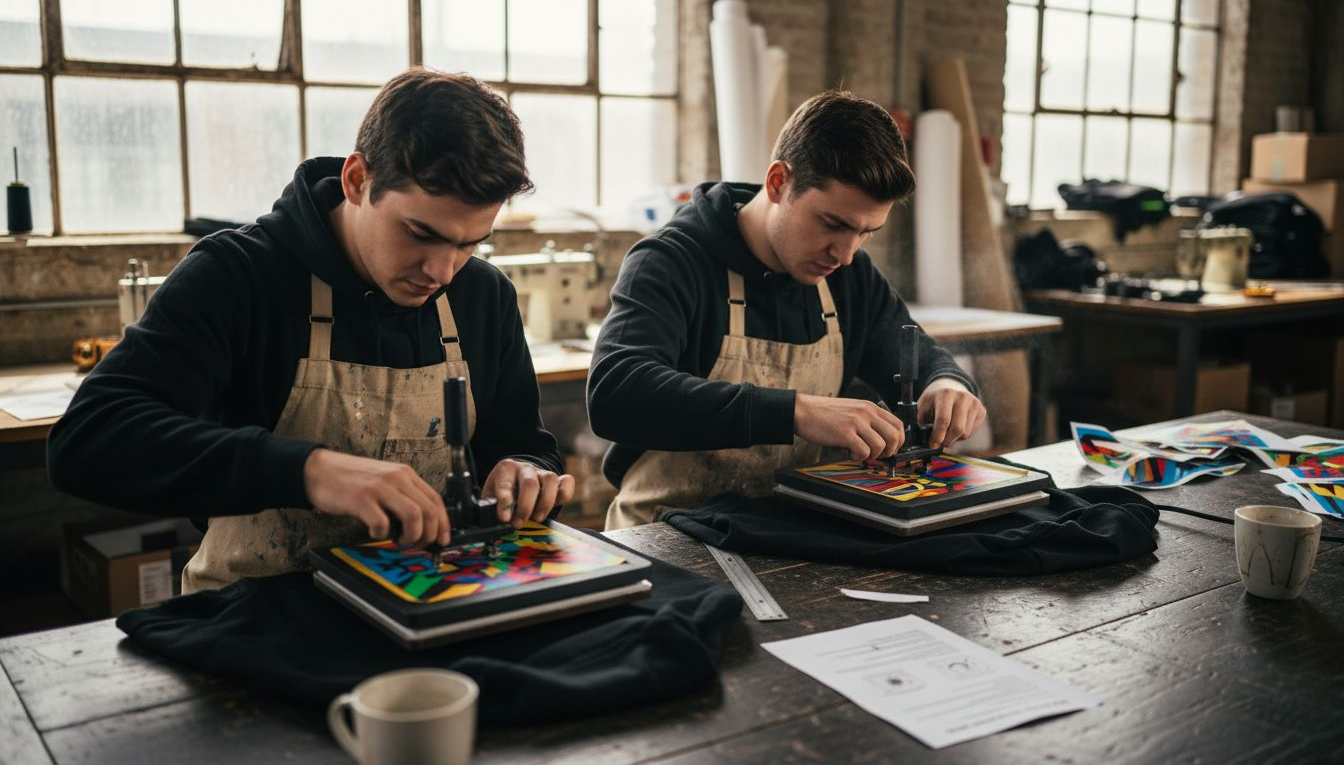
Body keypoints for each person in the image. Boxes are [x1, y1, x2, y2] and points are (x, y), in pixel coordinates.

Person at [48, 68, 574, 593]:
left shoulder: (483, 296)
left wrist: (524, 468)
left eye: (468, 244)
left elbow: (523, 441)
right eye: (420, 233)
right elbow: (90, 439)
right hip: (259, 611)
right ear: (356, 180)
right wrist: (311, 472)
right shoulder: (237, 275)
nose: (441, 272)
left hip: (432, 598)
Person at [588, 90, 986, 529]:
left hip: (781, 533)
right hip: (668, 533)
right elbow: (616, 392)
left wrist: (947, 383)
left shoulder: (849, 276)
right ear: (778, 182)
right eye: (833, 224)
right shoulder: (672, 261)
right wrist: (796, 412)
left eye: (866, 232)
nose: (845, 253)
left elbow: (915, 354)